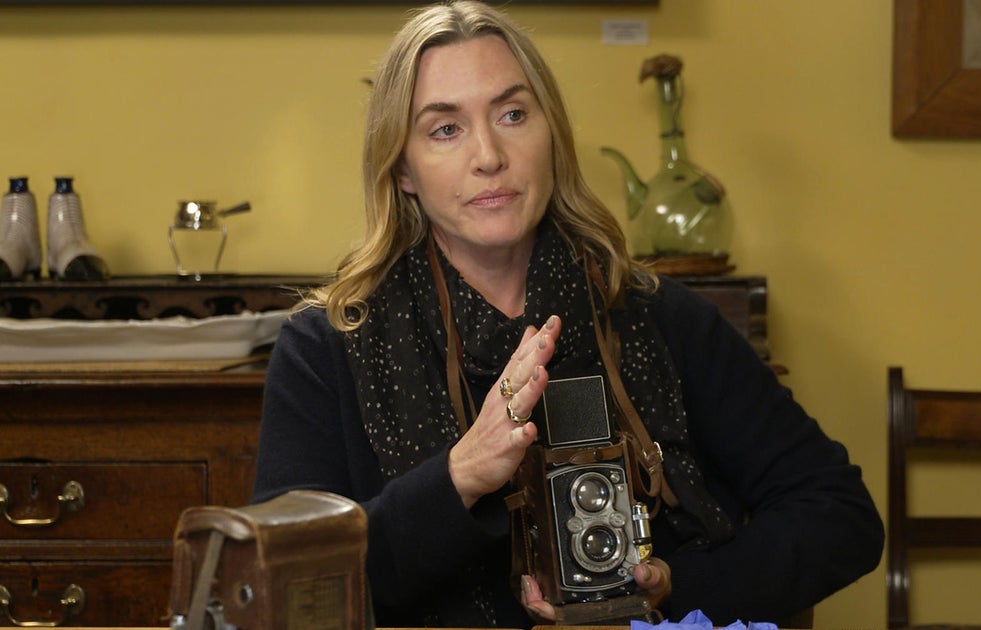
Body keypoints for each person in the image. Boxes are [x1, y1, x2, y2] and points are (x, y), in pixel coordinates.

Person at [251, 1, 884, 628]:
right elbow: (283, 583)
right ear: (403, 168)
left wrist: (675, 591)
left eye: (513, 114)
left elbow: (840, 514)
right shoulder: (325, 348)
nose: (489, 155)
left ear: (551, 134)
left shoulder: (660, 318)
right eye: (445, 129)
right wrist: (460, 476)